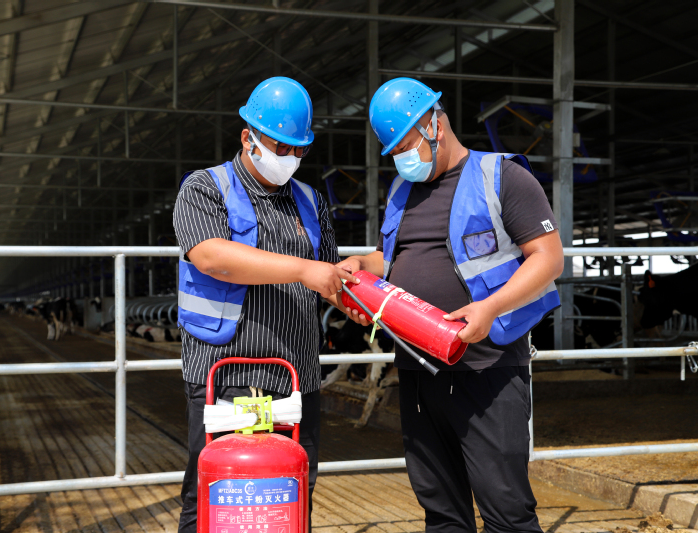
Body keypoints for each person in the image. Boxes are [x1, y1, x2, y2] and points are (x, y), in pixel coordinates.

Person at [334, 78, 564, 533]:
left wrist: (490, 308)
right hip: (418, 372)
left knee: (507, 512)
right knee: (441, 513)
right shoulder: (401, 190)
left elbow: (548, 256)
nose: (402, 158)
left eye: (406, 145)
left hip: (488, 369)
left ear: (435, 125)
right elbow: (393, 258)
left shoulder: (502, 177)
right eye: (394, 151)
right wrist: (361, 265)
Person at [173, 77, 356, 533]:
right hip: (224, 376)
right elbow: (211, 256)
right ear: (247, 138)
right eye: (280, 146)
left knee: (290, 493)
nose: (290, 157)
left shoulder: (311, 201)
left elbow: (327, 278)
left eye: (300, 149)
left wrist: (360, 290)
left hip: (296, 379)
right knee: (214, 495)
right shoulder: (205, 188)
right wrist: (304, 269)